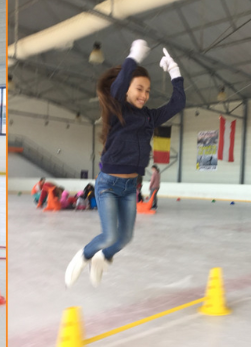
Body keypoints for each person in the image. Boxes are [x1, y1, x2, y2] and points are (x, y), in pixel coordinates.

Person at [65, 40, 185, 287]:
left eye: (148, 91)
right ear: (127, 89)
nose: (144, 95)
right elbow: (117, 89)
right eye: (139, 88)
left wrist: (175, 72)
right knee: (109, 235)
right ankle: (84, 256)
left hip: (130, 187)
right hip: (108, 184)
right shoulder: (117, 109)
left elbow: (177, 104)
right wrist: (134, 57)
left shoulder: (150, 117)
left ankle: (102, 259)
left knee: (125, 238)